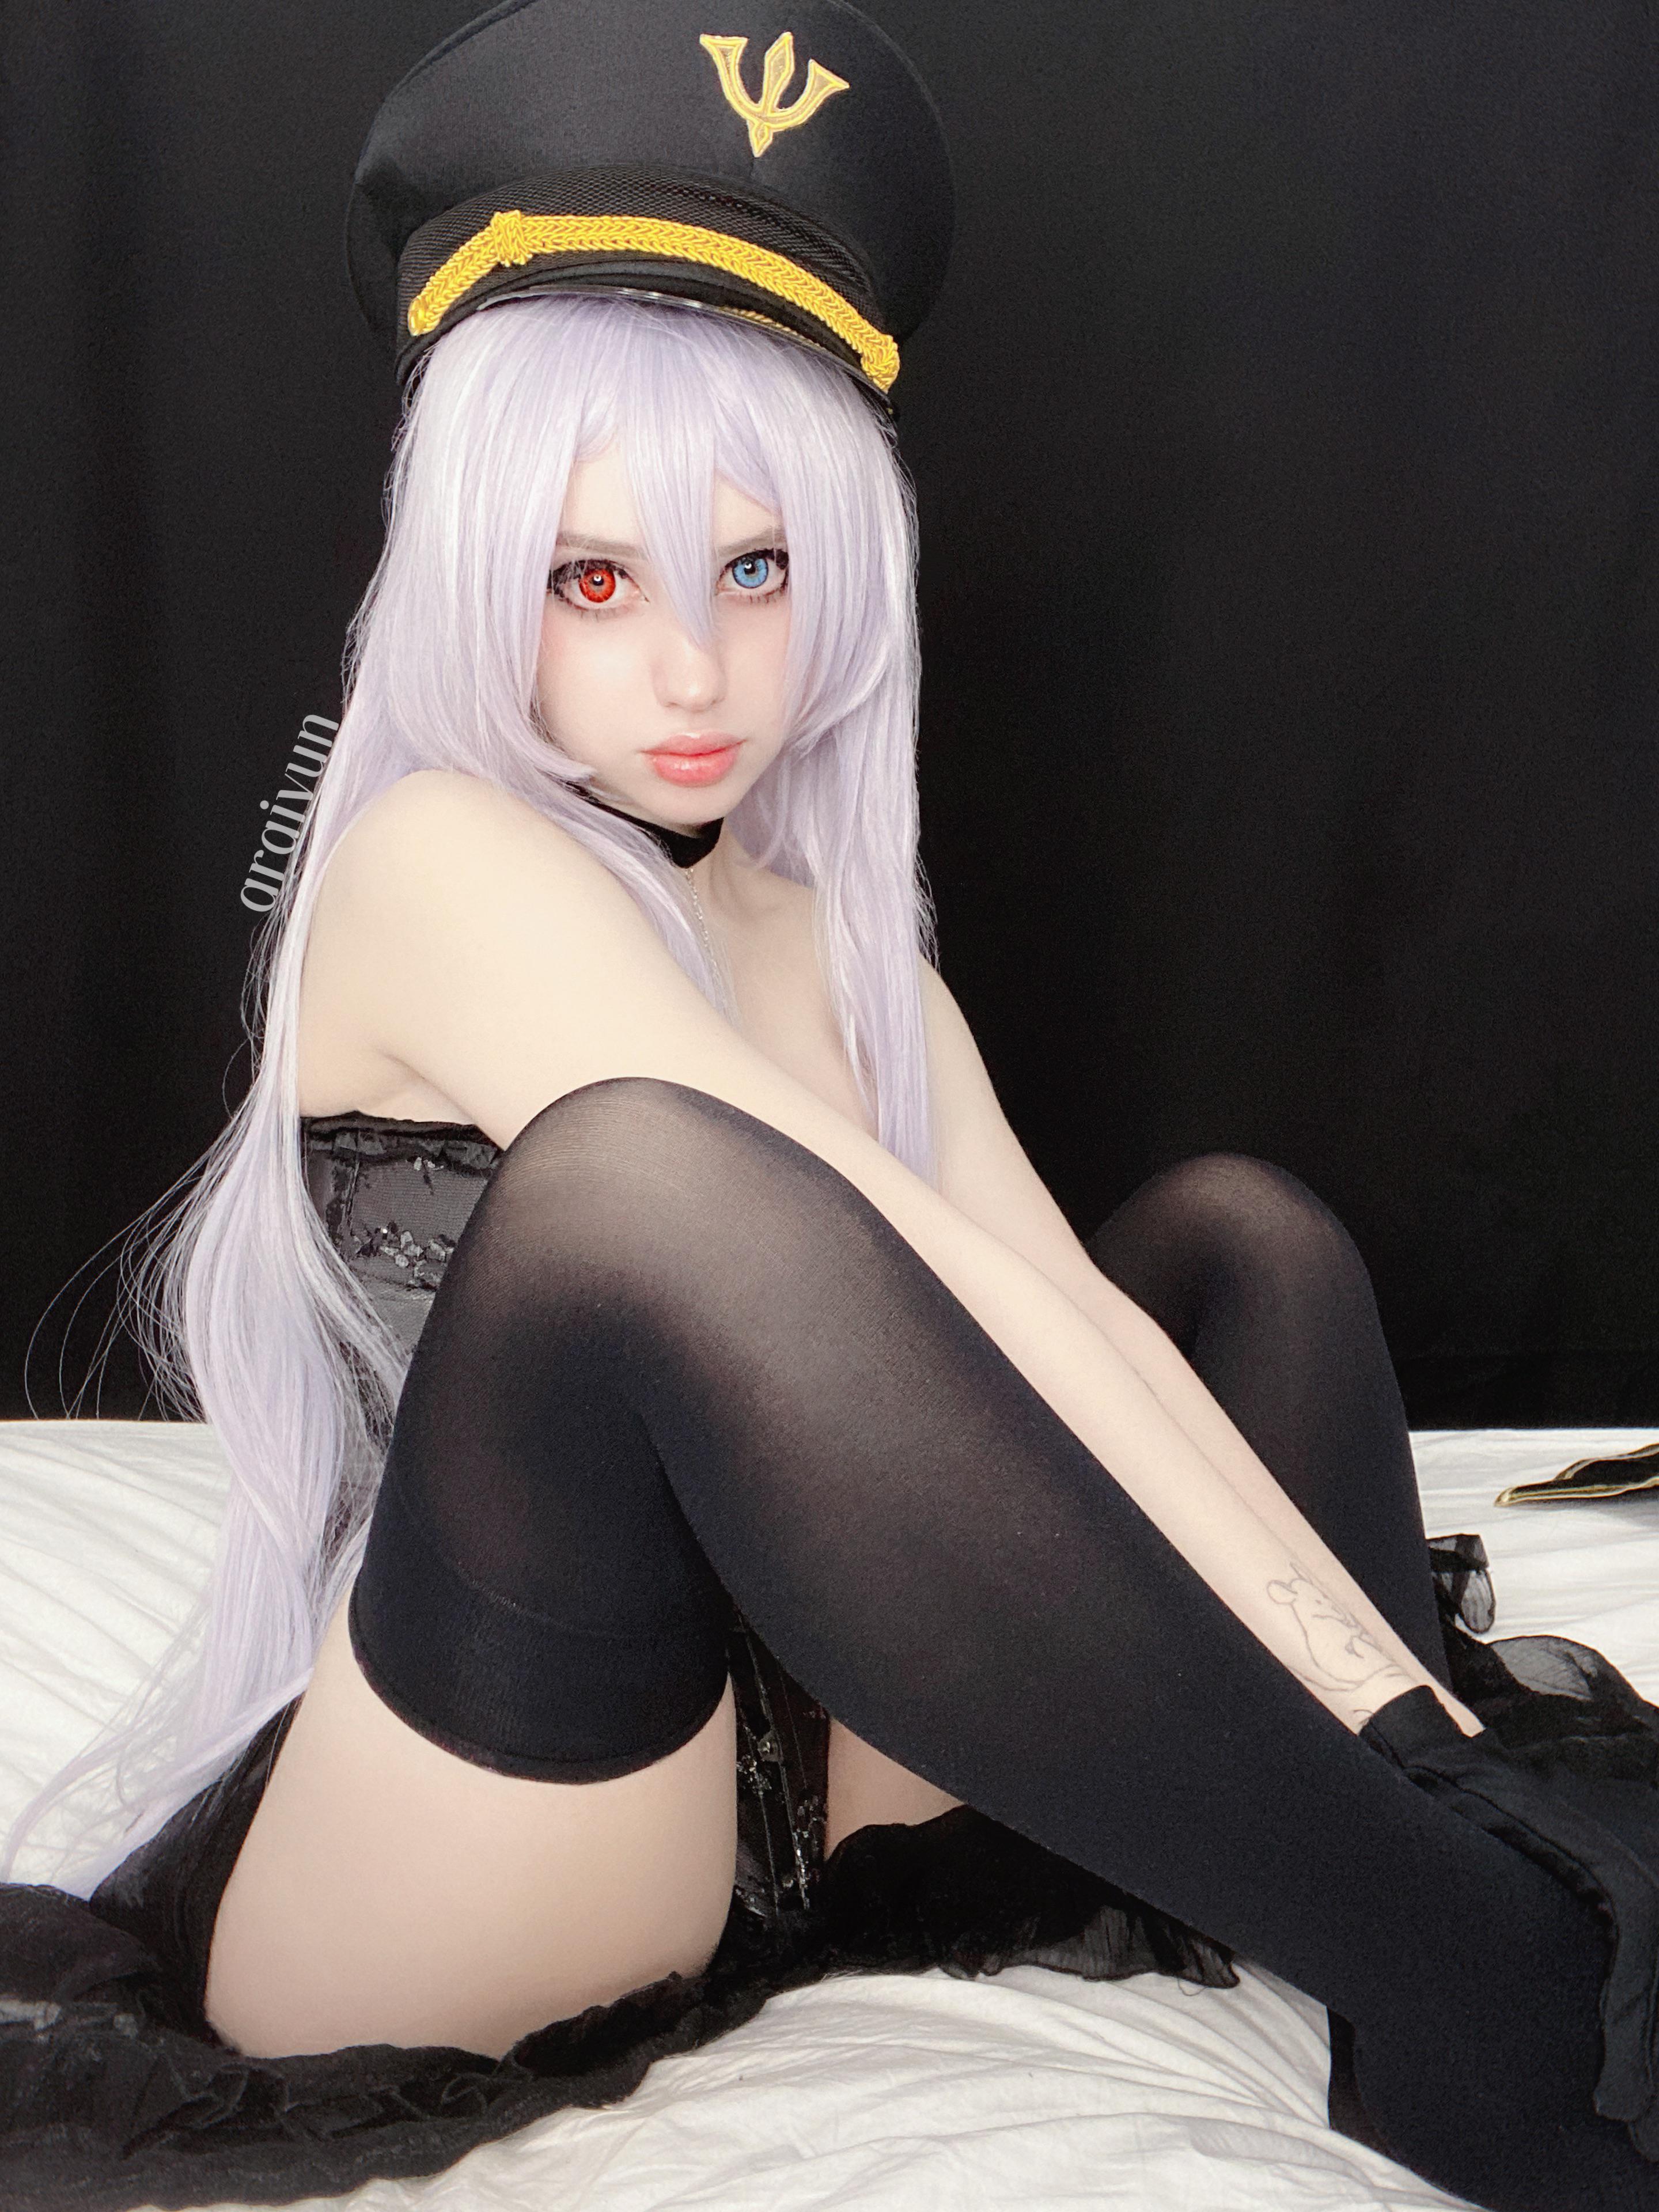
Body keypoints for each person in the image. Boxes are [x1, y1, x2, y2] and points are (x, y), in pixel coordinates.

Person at [3, 5, 1659, 2210]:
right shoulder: (434, 853)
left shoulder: (810, 918)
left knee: (1233, 1246)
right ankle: (1476, 1962)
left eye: (758, 572)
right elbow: (855, 1265)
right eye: (596, 580)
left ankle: (1424, 1893)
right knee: (644, 1185)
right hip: (522, 1798)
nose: (695, 672)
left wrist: (1409, 1724)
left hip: (841, 1784)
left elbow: (1054, 1313)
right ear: (481, 578)